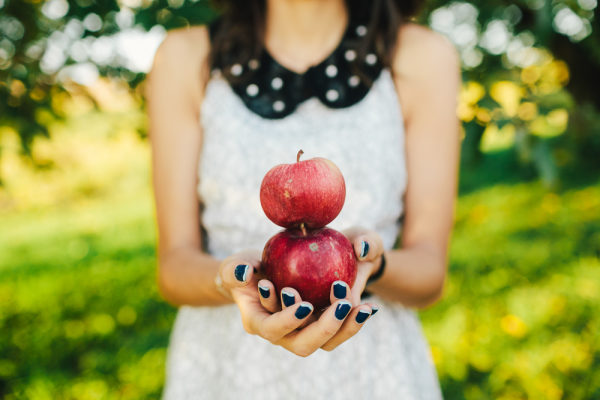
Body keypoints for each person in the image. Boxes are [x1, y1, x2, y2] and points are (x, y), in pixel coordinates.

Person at [145, 0, 460, 398]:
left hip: (370, 369)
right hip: (226, 368)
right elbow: (174, 268)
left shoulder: (421, 56)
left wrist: (371, 266)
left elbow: (429, 274)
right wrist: (233, 282)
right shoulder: (186, 58)